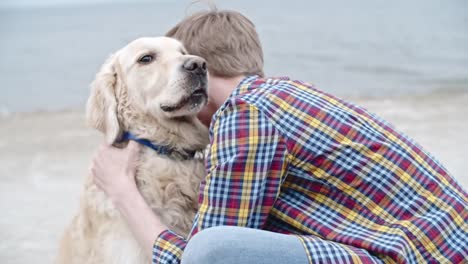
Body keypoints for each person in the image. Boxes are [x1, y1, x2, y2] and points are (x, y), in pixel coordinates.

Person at [91, 10, 467, 264]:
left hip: (416, 257)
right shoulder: (282, 93)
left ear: (201, 68)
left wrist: (123, 190)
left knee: (214, 247)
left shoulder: (246, 115)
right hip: (438, 246)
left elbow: (202, 258)